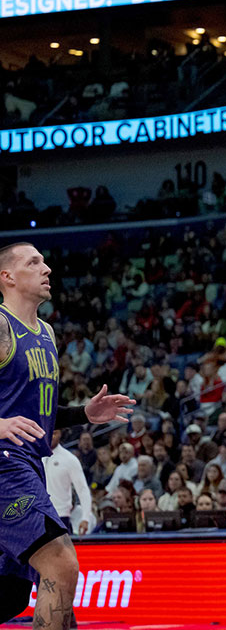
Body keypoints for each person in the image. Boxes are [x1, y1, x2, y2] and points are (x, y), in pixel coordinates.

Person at [0, 242, 135, 628]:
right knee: (59, 564)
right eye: (33, 262)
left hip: (27, 463)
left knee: (7, 595)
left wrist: (84, 414)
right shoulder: (0, 324)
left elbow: (34, 415)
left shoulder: (45, 333)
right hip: (4, 464)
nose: (47, 269)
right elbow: (10, 421)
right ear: (7, 277)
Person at [43, 428, 92, 535]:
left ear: (60, 434)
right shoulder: (35, 456)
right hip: (38, 516)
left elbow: (82, 489)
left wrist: (85, 518)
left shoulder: (69, 459)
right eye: (48, 432)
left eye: (54, 433)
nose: (51, 436)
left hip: (60, 516)